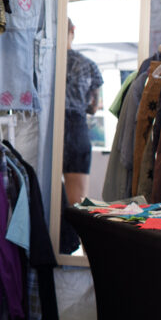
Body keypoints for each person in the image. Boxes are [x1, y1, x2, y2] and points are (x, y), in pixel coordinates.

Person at [64, 18, 103, 204]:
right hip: (76, 127)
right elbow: (94, 107)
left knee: (43, 198)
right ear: (73, 30)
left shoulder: (42, 62)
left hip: (46, 127)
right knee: (76, 202)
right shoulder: (89, 65)